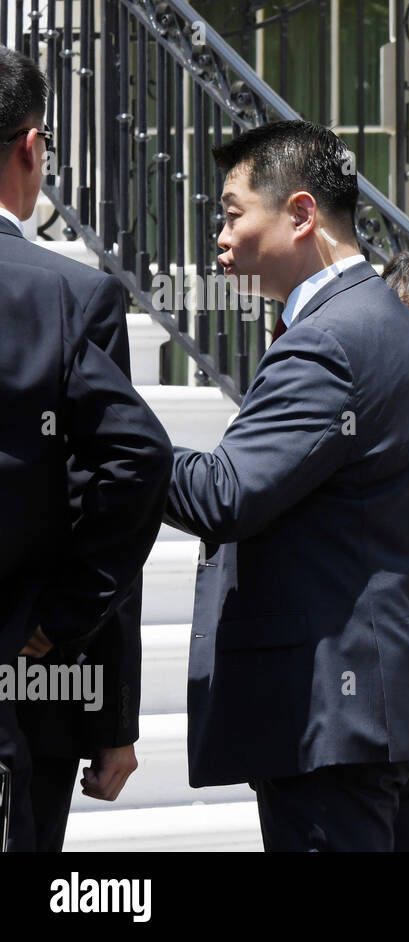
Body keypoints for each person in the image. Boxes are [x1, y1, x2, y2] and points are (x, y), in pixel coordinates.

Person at [165, 120, 409, 851]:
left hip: (338, 727)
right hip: (402, 713)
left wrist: (108, 430)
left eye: (234, 213)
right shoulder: (393, 325)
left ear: (301, 213)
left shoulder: (329, 340)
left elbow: (224, 495)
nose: (221, 239)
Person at [0, 44, 150, 850]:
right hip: (27, 691)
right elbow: (124, 476)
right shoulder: (72, 295)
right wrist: (108, 708)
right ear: (32, 147)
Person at [0, 260, 171, 851]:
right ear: (31, 159)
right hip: (26, 676)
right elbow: (119, 476)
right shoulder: (61, 291)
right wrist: (66, 620)